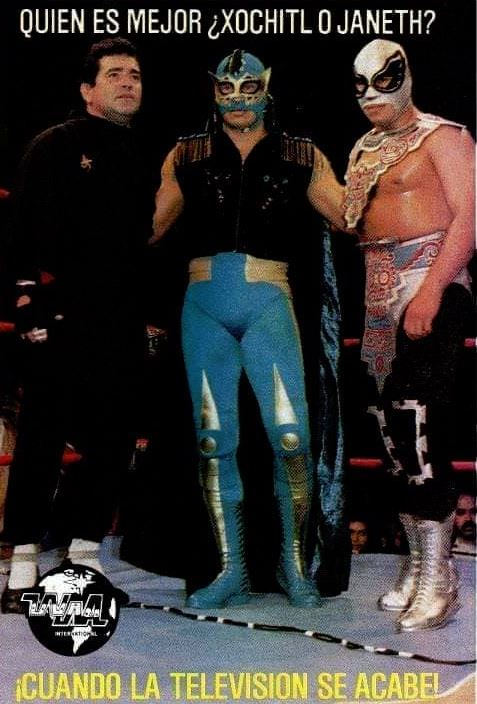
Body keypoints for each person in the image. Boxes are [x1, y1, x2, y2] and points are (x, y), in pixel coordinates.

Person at [151, 49, 347, 608]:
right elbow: (149, 227)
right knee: (214, 441)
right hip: (203, 304)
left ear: (267, 88)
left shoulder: (300, 153)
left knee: (292, 436)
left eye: (248, 87)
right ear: (213, 91)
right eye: (227, 88)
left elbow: (348, 216)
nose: (238, 99)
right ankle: (230, 569)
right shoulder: (186, 153)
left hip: (269, 301)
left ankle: (293, 563)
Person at [1, 38, 156, 613]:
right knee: (42, 438)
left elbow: (143, 246)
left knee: (112, 441)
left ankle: (84, 561)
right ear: (87, 89)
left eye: (134, 74)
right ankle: (21, 567)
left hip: (119, 318)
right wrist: (27, 306)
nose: (127, 82)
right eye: (114, 74)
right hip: (60, 314)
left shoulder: (141, 153)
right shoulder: (55, 144)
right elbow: (19, 231)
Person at [344, 39, 475, 631]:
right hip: (375, 291)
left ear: (406, 77)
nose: (371, 95)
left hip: (429, 278)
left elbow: (470, 217)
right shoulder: (363, 148)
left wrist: (433, 289)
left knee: (415, 417)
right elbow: (351, 221)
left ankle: (439, 575)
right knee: (388, 429)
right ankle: (418, 561)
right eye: (360, 84)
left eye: (383, 80)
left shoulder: (444, 137)